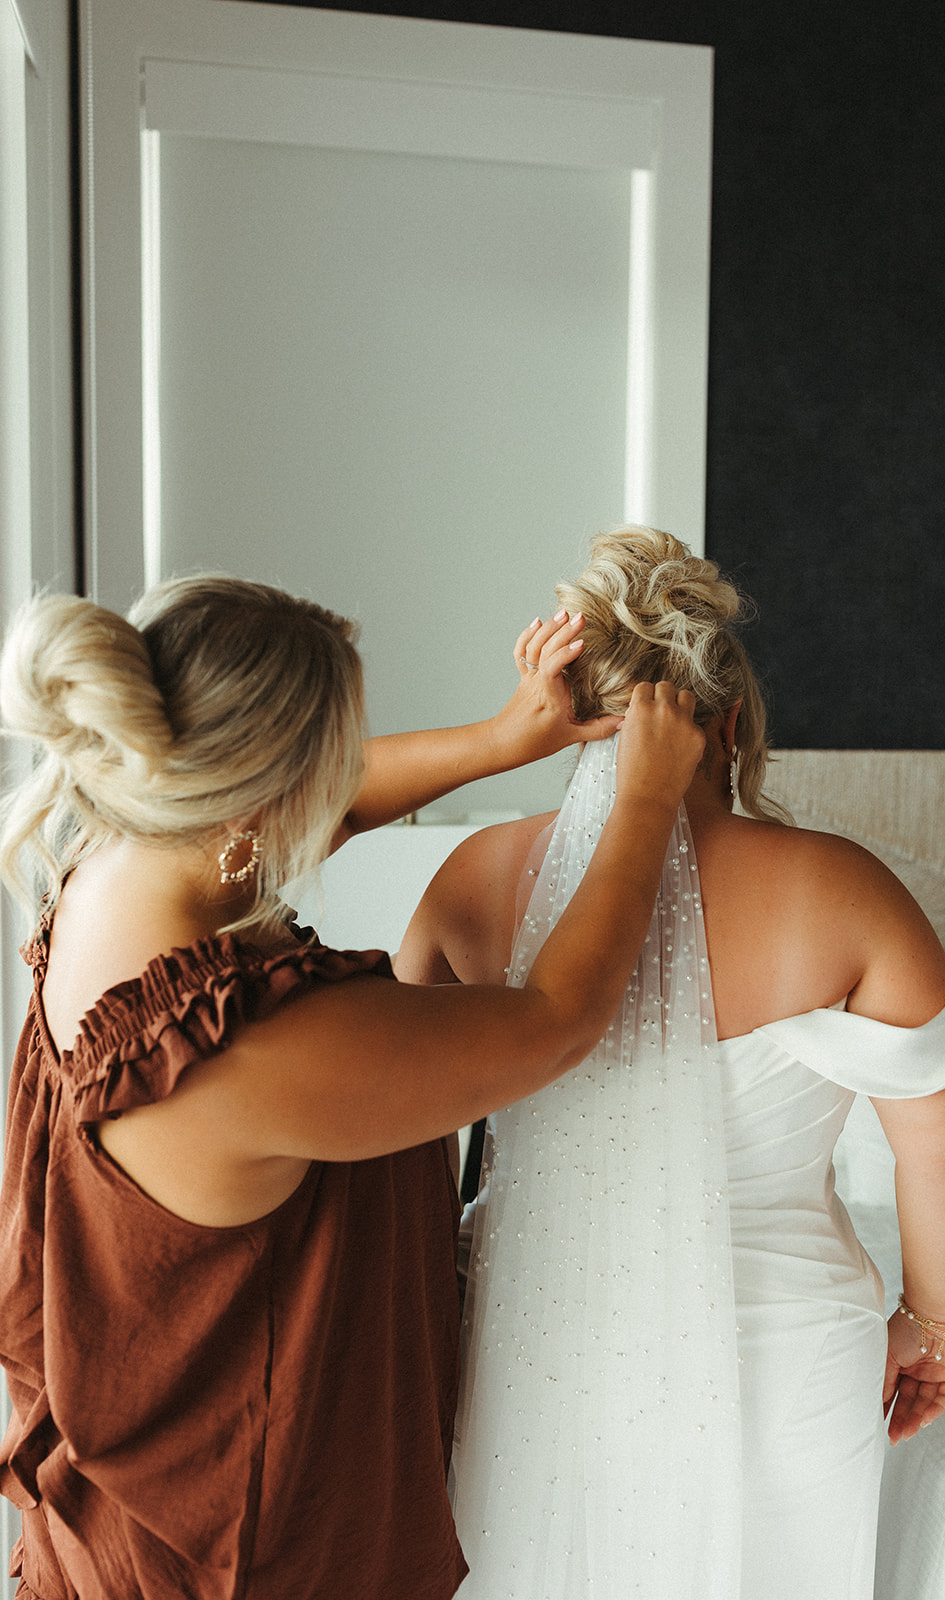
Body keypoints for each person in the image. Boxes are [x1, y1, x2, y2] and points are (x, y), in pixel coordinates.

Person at [0, 574, 705, 1600]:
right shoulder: (258, 1046)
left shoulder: (117, 864)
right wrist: (644, 801)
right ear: (258, 802)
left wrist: (511, 735)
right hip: (241, 1560)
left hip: (123, 1507)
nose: (345, 784)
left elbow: (294, 815)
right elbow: (555, 1019)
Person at [396, 527, 945, 1600]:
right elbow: (944, 1152)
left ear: (573, 709)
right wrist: (933, 1325)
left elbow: (399, 1151)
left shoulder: (469, 880)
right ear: (726, 722)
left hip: (530, 1346)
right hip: (783, 1345)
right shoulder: (840, 887)